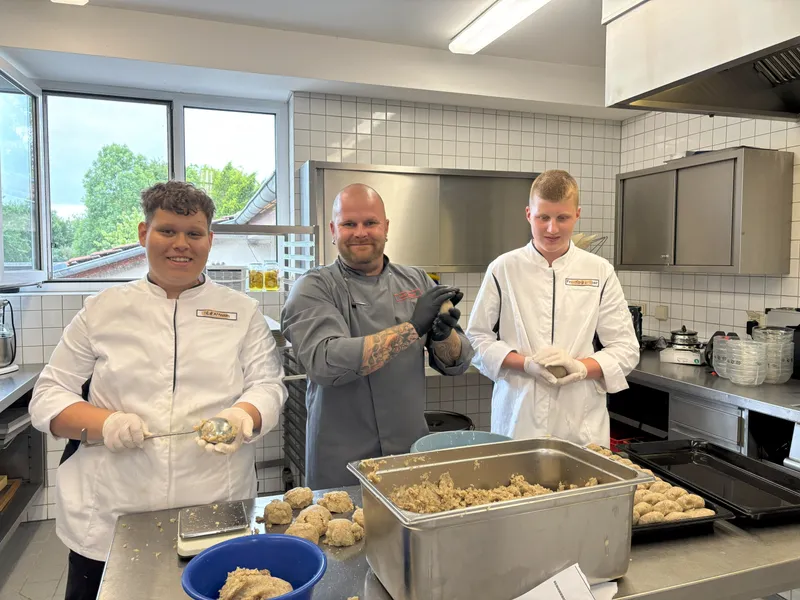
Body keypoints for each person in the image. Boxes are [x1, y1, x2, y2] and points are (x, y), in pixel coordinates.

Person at [29, 181, 287, 600]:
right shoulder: (102, 310)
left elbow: (268, 386)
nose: (180, 245)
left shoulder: (242, 312)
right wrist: (106, 423)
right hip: (113, 508)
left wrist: (243, 415)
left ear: (210, 239)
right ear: (143, 234)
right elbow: (48, 396)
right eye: (167, 231)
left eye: (194, 233)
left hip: (213, 505)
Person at [281, 183, 475, 489]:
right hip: (341, 460)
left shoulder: (417, 280)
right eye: (349, 224)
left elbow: (459, 360)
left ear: (385, 227)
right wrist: (412, 328)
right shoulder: (313, 287)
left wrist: (442, 336)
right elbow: (327, 362)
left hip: (408, 453)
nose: (361, 232)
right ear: (333, 230)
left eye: (370, 222)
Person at [465, 170, 639, 446]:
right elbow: (475, 339)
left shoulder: (599, 271)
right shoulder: (504, 269)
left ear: (577, 214)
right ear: (528, 214)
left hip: (580, 421)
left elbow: (626, 349)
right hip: (519, 417)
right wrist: (525, 365)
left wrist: (579, 368)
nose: (552, 229)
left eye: (562, 218)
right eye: (543, 217)